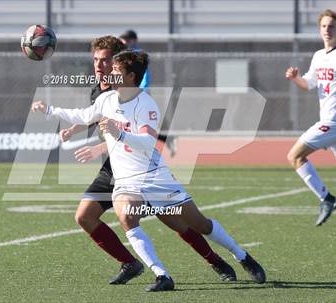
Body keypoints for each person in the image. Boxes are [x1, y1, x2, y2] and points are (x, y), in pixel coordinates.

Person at [32, 50, 266, 289]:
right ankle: (162, 275)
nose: (110, 74)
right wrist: (50, 110)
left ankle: (242, 256)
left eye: (116, 71)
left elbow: (147, 142)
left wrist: (118, 133)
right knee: (126, 216)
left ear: (131, 77)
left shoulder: (146, 104)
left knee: (199, 224)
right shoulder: (106, 99)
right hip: (126, 180)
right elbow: (82, 115)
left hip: (156, 178)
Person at [285, 9, 336, 226]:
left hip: (334, 121)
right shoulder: (319, 56)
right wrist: (295, 78)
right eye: (323, 26)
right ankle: (327, 199)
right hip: (335, 123)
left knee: (295, 156)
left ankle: (327, 199)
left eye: (332, 26)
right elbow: (309, 84)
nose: (327, 30)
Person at [120, 29, 178, 157]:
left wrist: (140, 91)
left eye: (127, 40)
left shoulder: (138, 55)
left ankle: (161, 143)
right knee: (136, 126)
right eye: (124, 40)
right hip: (131, 95)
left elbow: (145, 76)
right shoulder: (124, 56)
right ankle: (167, 139)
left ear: (134, 41)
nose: (124, 42)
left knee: (141, 126)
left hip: (139, 94)